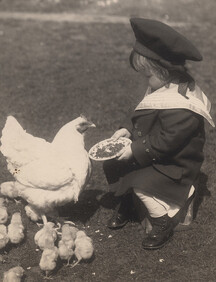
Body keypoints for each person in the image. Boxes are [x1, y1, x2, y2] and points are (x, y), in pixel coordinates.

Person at [103, 18, 215, 250]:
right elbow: (140, 109)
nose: (146, 81)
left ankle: (161, 222)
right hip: (155, 152)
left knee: (142, 183)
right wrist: (126, 128)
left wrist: (134, 149)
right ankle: (128, 203)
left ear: (165, 70)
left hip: (176, 163)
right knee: (112, 165)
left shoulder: (183, 104)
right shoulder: (162, 85)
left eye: (147, 75)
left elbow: (168, 141)